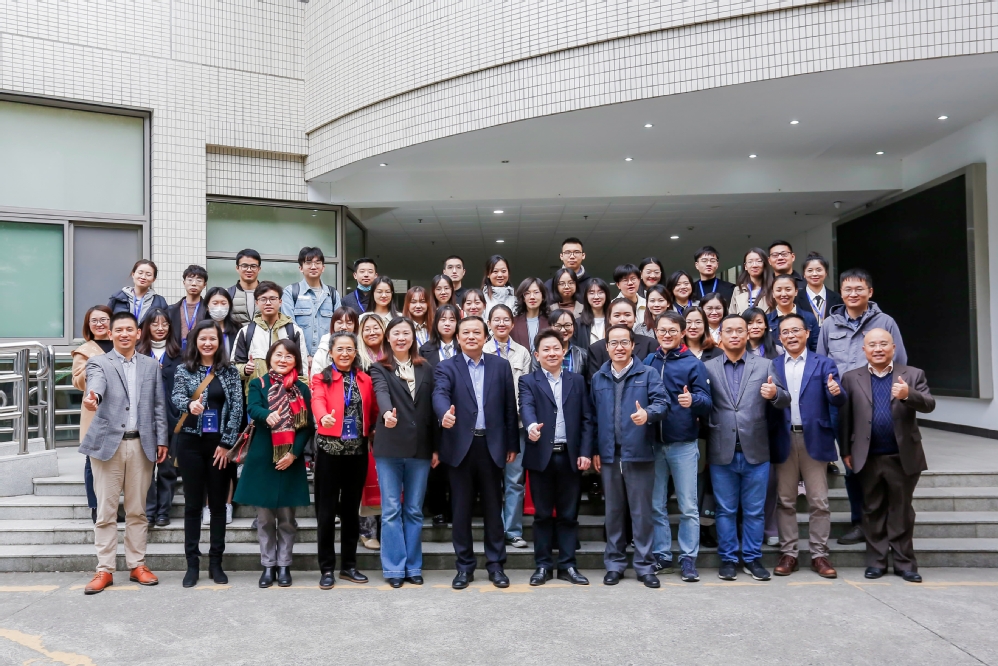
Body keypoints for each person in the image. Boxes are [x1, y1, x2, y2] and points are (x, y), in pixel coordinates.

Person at [78, 311, 168, 595]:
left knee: (137, 510)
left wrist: (162, 440)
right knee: (105, 511)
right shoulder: (99, 362)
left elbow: (158, 405)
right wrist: (93, 396)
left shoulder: (151, 365)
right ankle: (104, 569)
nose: (124, 334)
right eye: (119, 330)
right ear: (111, 334)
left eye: (130, 329)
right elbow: (96, 383)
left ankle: (137, 564)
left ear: (138, 333)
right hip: (108, 445)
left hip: (142, 444)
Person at [816, 268, 907, 546]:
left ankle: (886, 523)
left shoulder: (885, 322)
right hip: (840, 405)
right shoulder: (829, 324)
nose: (853, 294)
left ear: (870, 291)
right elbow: (821, 364)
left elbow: (900, 363)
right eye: (847, 289)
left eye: (859, 288)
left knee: (881, 463)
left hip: (877, 405)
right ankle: (860, 522)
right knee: (851, 465)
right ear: (840, 293)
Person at [839, 329, 935, 583]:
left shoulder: (912, 374)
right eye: (872, 345)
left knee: (901, 510)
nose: (878, 349)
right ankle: (877, 562)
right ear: (864, 350)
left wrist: (908, 395)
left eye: (883, 344)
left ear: (893, 348)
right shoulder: (851, 377)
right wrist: (845, 451)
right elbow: (845, 418)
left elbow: (929, 404)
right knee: (871, 509)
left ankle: (905, 564)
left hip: (902, 456)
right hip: (867, 456)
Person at [432, 316, 519, 590]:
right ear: (458, 338)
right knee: (461, 511)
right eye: (466, 332)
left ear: (486, 336)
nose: (471, 336)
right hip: (460, 448)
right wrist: (444, 414)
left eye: (476, 332)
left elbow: (509, 407)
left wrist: (512, 444)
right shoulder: (446, 367)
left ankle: (496, 566)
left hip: (492, 446)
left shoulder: (500, 366)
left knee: (494, 509)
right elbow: (439, 394)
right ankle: (464, 567)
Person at [702, 314, 790, 582]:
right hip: (722, 450)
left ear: (748, 334)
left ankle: (752, 558)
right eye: (729, 330)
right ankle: (728, 559)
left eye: (739, 330)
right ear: (720, 336)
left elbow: (785, 399)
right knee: (725, 510)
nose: (734, 335)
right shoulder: (707, 367)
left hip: (756, 449)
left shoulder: (765, 365)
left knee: (754, 510)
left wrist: (774, 395)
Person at [590, 324, 670, 588]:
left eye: (624, 342)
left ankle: (645, 566)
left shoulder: (647, 373)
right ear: (607, 347)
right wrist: (594, 450)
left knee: (641, 513)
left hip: (639, 454)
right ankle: (614, 564)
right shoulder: (599, 378)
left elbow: (662, 404)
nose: (619, 347)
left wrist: (648, 414)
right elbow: (592, 418)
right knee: (613, 512)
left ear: (633, 346)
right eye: (613, 343)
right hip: (610, 455)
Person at [770, 313, 846, 579]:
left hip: (814, 438)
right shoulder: (773, 365)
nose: (791, 335)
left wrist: (836, 392)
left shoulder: (823, 363)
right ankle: (788, 553)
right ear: (779, 337)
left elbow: (838, 399)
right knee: (785, 500)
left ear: (806, 333)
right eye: (785, 332)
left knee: (819, 501)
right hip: (783, 438)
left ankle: (819, 555)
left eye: (795, 330)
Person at [233, 339, 315, 588]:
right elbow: (253, 407)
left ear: (296, 361)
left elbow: (306, 426)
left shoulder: (302, 389)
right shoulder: (258, 383)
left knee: (288, 519)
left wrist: (294, 454)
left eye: (289, 356)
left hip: (290, 460)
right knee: (265, 519)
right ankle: (268, 566)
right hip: (263, 459)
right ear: (270, 358)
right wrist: (266, 415)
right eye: (278, 355)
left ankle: (284, 565)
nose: (283, 360)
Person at [519, 328, 595, 586]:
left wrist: (585, 452)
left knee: (569, 515)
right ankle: (542, 566)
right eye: (546, 350)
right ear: (536, 355)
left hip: (570, 457)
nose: (551, 353)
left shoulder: (577, 380)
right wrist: (531, 427)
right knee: (541, 515)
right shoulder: (528, 381)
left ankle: (567, 565)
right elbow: (526, 406)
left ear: (564, 352)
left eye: (556, 349)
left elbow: (587, 419)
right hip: (541, 456)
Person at [171, 320, 243, 587]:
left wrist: (226, 443)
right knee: (192, 505)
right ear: (195, 341)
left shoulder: (229, 371)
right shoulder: (184, 369)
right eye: (203, 338)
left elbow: (237, 408)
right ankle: (192, 564)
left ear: (219, 342)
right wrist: (190, 404)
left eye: (212, 338)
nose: (208, 343)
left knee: (218, 506)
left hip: (219, 446)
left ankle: (216, 563)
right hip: (190, 443)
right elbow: (176, 397)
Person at [643, 312, 712, 583]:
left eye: (673, 330)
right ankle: (662, 555)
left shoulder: (693, 364)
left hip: (683, 443)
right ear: (656, 332)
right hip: (653, 443)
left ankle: (688, 558)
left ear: (683, 332)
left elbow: (707, 401)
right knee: (656, 505)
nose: (667, 335)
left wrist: (693, 399)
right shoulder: (649, 361)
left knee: (688, 506)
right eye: (662, 330)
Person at [370, 319, 438, 587]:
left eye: (406, 333)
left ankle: (413, 566)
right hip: (389, 447)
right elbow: (381, 392)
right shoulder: (379, 368)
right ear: (388, 337)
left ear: (413, 337)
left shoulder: (426, 368)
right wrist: (387, 413)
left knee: (413, 510)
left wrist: (436, 447)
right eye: (396, 333)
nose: (401, 338)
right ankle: (394, 569)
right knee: (390, 510)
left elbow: (432, 408)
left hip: (420, 448)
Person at [309, 331, 379, 589]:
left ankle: (349, 566)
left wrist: (375, 428)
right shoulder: (321, 378)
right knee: (326, 513)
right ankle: (326, 568)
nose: (345, 353)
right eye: (340, 349)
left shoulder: (365, 379)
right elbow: (317, 400)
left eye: (349, 349)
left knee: (351, 513)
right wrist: (323, 417)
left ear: (356, 352)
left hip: (357, 454)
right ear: (331, 352)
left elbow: (373, 410)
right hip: (329, 453)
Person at [485, 304, 532, 550]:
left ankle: (512, 531)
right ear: (489, 323)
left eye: (506, 320)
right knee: (491, 480)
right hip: (488, 428)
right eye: (496, 319)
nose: (501, 324)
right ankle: (495, 529)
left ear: (513, 324)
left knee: (514, 480)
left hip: (517, 425)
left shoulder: (522, 353)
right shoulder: (481, 350)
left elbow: (526, 390)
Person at [136, 307, 183, 528]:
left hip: (172, 419)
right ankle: (149, 511)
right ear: (146, 327)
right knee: (145, 468)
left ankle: (164, 511)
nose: (160, 328)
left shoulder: (180, 354)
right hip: (143, 419)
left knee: (167, 468)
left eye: (164, 324)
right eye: (155, 324)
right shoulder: (137, 354)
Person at [72, 305, 114, 524]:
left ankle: (115, 505)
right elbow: (78, 382)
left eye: (104, 319)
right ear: (88, 325)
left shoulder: (123, 343)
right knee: (93, 461)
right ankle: (96, 506)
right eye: (94, 320)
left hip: (122, 411)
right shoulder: (85, 350)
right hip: (95, 410)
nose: (99, 324)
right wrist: (92, 368)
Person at [419, 304, 460, 525]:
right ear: (435, 323)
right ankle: (437, 509)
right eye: (442, 319)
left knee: (458, 463)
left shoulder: (465, 346)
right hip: (433, 413)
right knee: (436, 463)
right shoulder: (425, 350)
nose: (447, 323)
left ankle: (456, 508)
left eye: (452, 319)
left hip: (461, 413)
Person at [230, 282, 306, 389]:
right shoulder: (246, 332)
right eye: (263, 299)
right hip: (256, 393)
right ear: (257, 303)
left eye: (273, 299)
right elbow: (233, 368)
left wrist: (302, 392)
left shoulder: (294, 331)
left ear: (280, 302)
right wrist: (245, 369)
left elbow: (302, 369)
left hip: (287, 393)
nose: (268, 303)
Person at [356, 312, 386, 548]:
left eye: (376, 327)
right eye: (367, 328)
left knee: (387, 479)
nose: (372, 332)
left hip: (389, 424)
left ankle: (387, 529)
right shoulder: (356, 359)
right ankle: (367, 531)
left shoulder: (393, 355)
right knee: (366, 479)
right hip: (362, 425)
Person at [282, 247, 342, 362]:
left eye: (317, 263)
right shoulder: (291, 292)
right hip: (299, 358)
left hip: (327, 358)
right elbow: (289, 326)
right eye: (308, 262)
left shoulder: (333, 294)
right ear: (301, 268)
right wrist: (304, 355)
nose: (313, 267)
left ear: (323, 267)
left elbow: (339, 327)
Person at [586, 298, 658, 377]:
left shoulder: (650, 344)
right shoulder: (596, 349)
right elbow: (593, 381)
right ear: (609, 319)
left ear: (635, 318)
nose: (622, 319)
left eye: (627, 315)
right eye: (617, 315)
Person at [107, 259, 168, 325]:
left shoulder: (160, 302)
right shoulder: (118, 297)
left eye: (148, 274)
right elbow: (108, 321)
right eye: (140, 273)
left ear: (154, 279)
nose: (143, 277)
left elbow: (166, 324)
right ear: (133, 274)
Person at [768, 275, 819, 352]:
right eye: (778, 290)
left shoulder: (809, 318)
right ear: (773, 293)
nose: (783, 294)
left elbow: (816, 348)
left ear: (796, 291)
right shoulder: (766, 320)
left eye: (788, 289)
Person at [166, 265, 209, 349]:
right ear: (184, 282)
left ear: (204, 285)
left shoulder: (208, 310)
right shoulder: (171, 310)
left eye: (199, 280)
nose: (194, 284)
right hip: (176, 353)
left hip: (200, 352)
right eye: (190, 280)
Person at [795, 252, 842, 326]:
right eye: (810, 270)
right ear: (804, 274)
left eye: (819, 270)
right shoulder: (796, 297)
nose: (814, 274)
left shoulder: (836, 297)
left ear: (826, 273)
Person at [312, 307, 361, 376]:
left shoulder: (361, 345)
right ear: (333, 324)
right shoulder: (324, 347)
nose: (344, 327)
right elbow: (316, 374)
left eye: (349, 323)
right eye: (340, 323)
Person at [547, 309, 589, 383]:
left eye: (567, 325)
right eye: (558, 326)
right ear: (550, 327)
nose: (563, 330)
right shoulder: (541, 353)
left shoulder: (583, 354)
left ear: (573, 326)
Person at [730, 248, 775, 314]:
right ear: (745, 266)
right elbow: (732, 316)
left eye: (759, 261)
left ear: (765, 264)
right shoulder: (738, 290)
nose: (754, 265)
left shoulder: (773, 288)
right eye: (750, 262)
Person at [511, 277, 549, 351]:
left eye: (536, 292)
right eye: (527, 293)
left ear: (543, 296)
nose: (532, 297)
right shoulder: (513, 323)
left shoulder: (550, 321)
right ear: (523, 298)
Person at [203, 286, 241, 359]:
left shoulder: (238, 329)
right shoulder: (199, 330)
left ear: (229, 306)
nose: (219, 308)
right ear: (207, 307)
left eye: (223, 303)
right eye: (215, 303)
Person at [228, 249, 262, 326]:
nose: (249, 270)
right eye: (244, 266)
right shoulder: (228, 294)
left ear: (259, 269)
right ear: (237, 268)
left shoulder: (269, 294)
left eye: (253, 266)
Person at [575, 278, 609, 348]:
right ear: (586, 296)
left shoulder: (614, 321)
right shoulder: (577, 324)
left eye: (600, 292)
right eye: (591, 293)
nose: (596, 297)